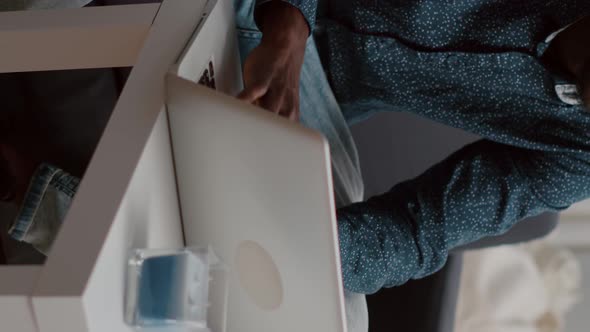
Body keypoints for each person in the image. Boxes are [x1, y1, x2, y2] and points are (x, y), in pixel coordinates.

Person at [3, 0, 590, 330]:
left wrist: (300, 257)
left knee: (340, 320)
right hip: (271, 12)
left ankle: (49, 204)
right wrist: (290, 22)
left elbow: (420, 228)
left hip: (313, 94)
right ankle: (37, 198)